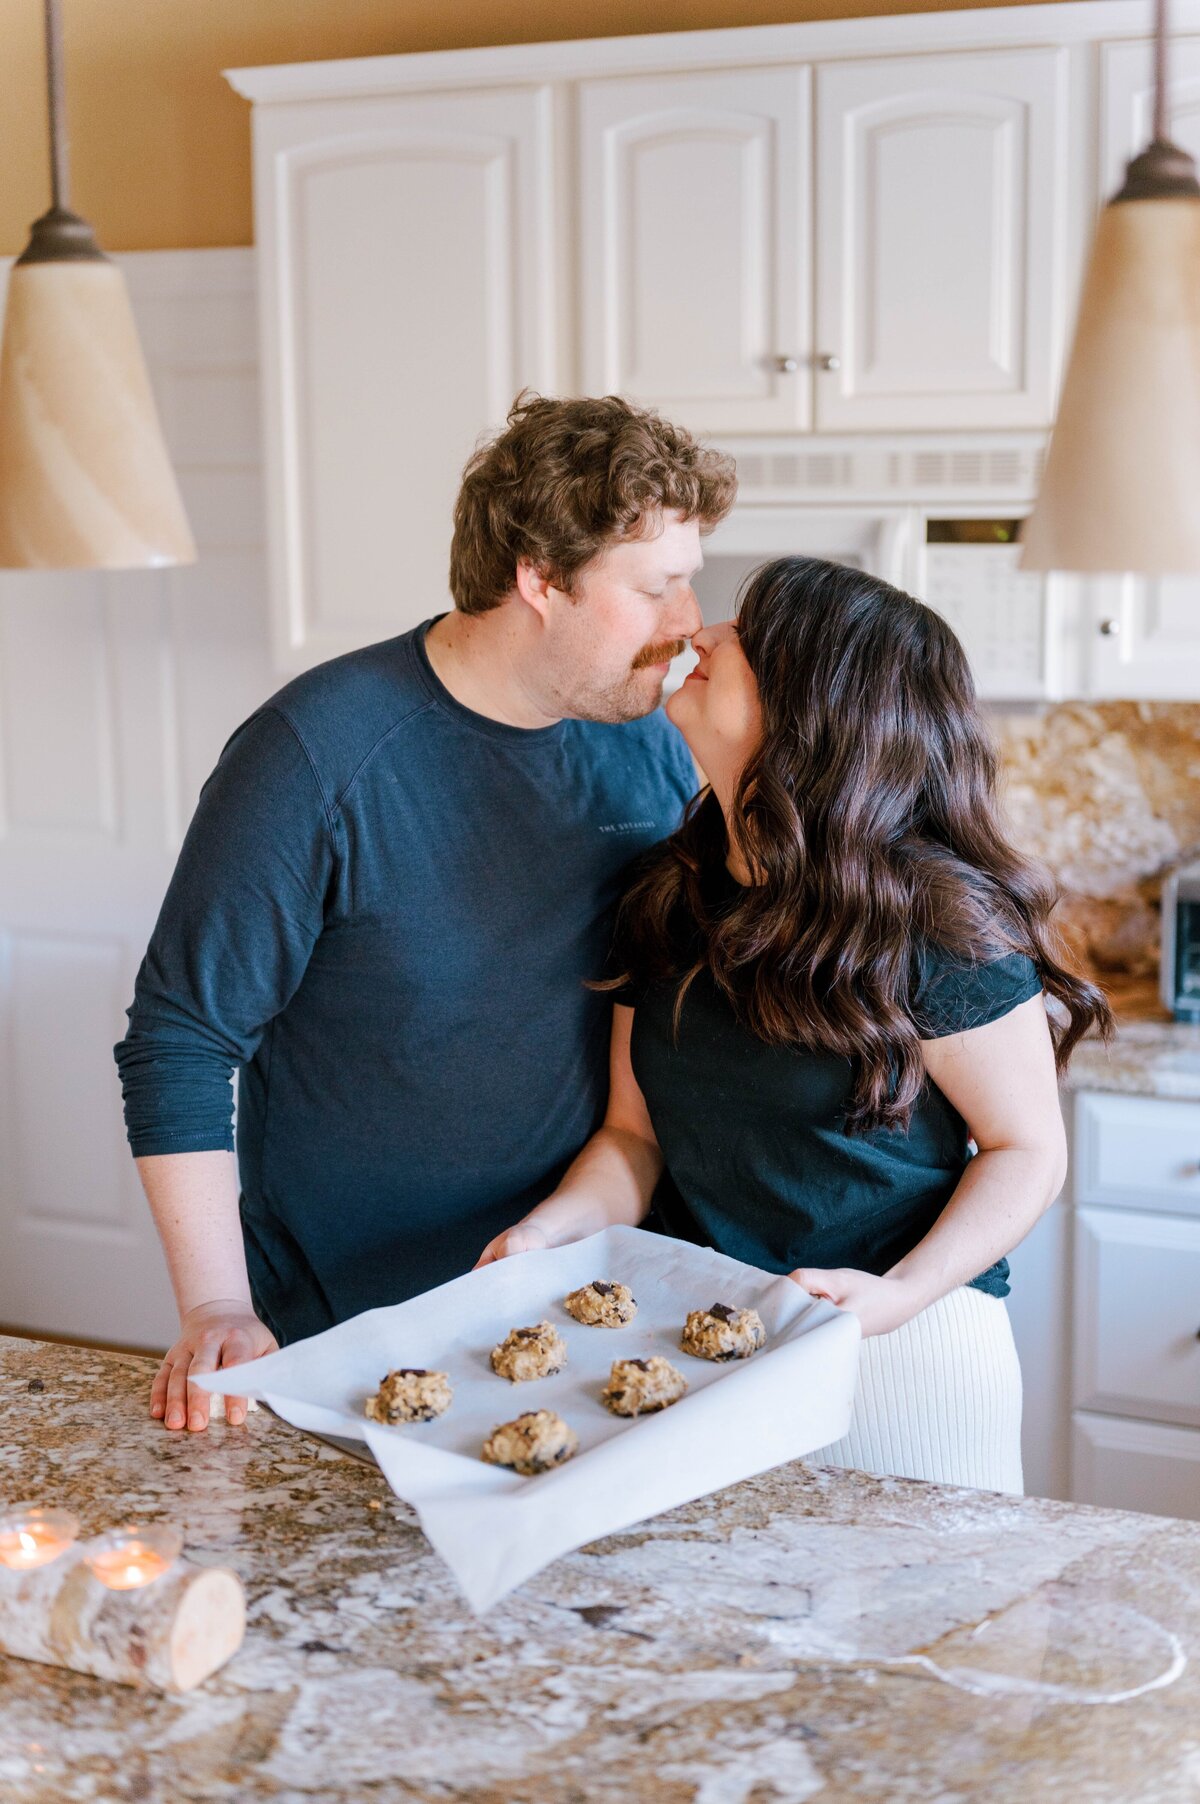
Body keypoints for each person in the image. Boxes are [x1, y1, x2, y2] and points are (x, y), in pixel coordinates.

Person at [113, 391, 736, 1433]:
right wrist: (215, 1303)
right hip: (347, 1330)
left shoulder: (651, 741)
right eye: (658, 587)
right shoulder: (314, 756)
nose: (688, 624)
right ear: (540, 578)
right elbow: (180, 1039)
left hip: (581, 1320)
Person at [476, 556, 1112, 1493]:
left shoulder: (933, 924)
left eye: (746, 637)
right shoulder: (666, 897)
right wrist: (546, 1233)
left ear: (811, 711)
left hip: (908, 1356)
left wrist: (895, 1297)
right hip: (708, 1351)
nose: (703, 633)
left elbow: (1026, 1150)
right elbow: (631, 1136)